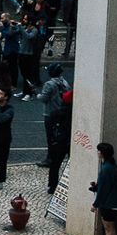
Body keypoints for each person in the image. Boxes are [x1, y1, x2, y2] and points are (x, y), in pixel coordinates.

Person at [38, 64, 70, 194]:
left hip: (50, 113)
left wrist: (38, 94)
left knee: (51, 138)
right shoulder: (65, 82)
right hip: (62, 112)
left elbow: (44, 98)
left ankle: (49, 158)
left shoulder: (49, 84)